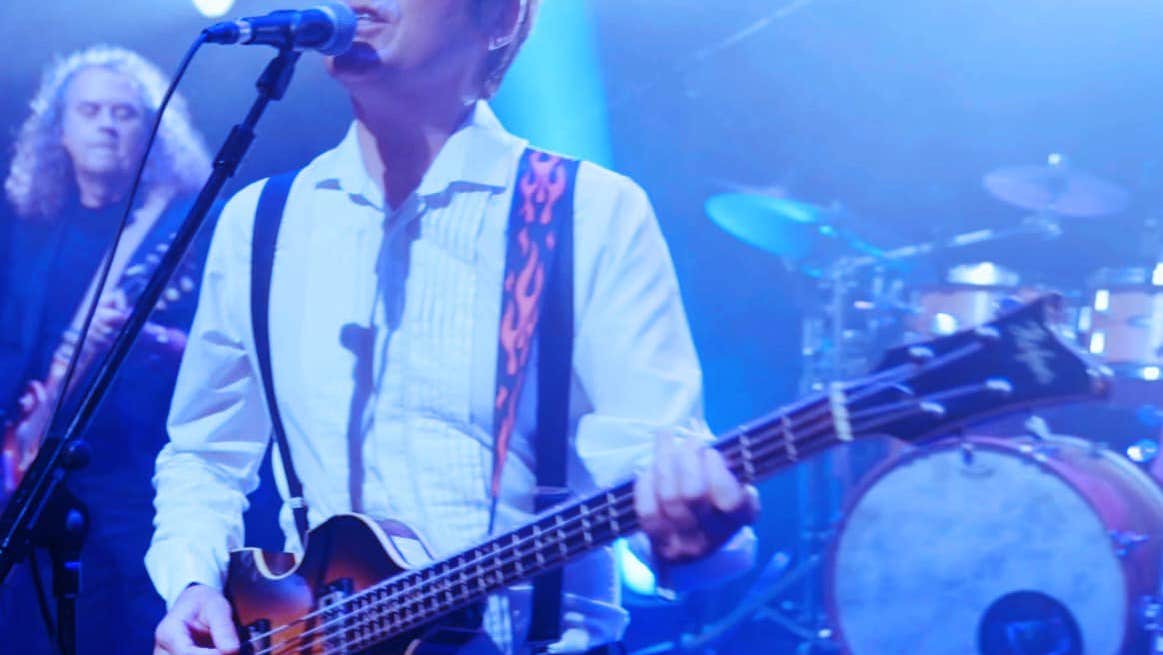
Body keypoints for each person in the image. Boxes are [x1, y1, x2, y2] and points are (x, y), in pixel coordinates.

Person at [148, 2, 760, 654]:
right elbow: (205, 455)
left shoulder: (590, 212)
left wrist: (686, 533)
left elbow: (656, 463)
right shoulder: (263, 222)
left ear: (497, 17)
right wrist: (192, 581)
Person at [0, 45, 213, 655]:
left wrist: (156, 342)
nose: (107, 124)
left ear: (151, 130)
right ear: (59, 129)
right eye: (90, 110)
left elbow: (229, 352)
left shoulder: (190, 223)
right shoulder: (33, 224)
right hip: (35, 470)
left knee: (128, 629)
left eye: (124, 112)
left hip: (134, 476)